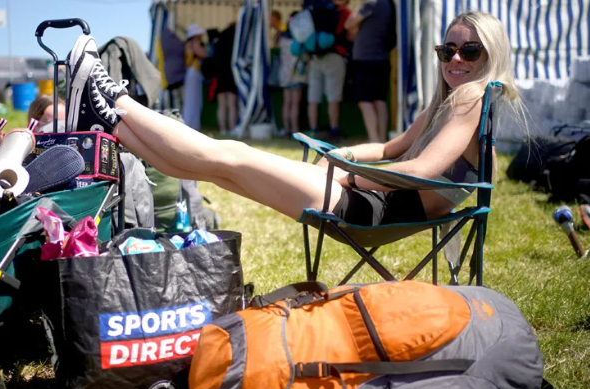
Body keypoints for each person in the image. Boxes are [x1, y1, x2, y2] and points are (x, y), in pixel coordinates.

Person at [66, 11, 520, 227]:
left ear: (491, 54)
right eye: (448, 50)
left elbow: (420, 171)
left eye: (469, 50)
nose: (455, 59)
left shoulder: (472, 98)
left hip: (366, 209)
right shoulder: (452, 101)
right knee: (217, 168)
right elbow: (390, 149)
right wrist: (343, 153)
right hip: (369, 205)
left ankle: (116, 101)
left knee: (229, 156)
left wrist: (348, 176)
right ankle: (110, 121)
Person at [345, 0, 396, 142]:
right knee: (379, 100)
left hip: (366, 59)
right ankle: (380, 139)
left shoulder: (371, 3)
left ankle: (374, 140)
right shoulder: (388, 4)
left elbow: (348, 24)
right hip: (381, 58)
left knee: (364, 100)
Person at [306, 0, 352, 140]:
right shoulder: (344, 12)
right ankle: (334, 130)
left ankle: (313, 130)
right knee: (333, 96)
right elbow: (350, 34)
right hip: (335, 56)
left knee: (313, 97)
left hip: (315, 57)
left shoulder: (314, 9)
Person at [279, 11, 309, 137]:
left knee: (287, 103)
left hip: (285, 74)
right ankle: (296, 131)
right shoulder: (299, 39)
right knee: (295, 103)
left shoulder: (282, 38)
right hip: (297, 74)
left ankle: (286, 129)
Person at [182, 23, 208, 130]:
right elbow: (203, 54)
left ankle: (191, 125)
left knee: (191, 100)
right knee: (194, 101)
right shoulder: (195, 42)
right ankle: (191, 125)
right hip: (194, 71)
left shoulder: (188, 43)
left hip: (191, 72)